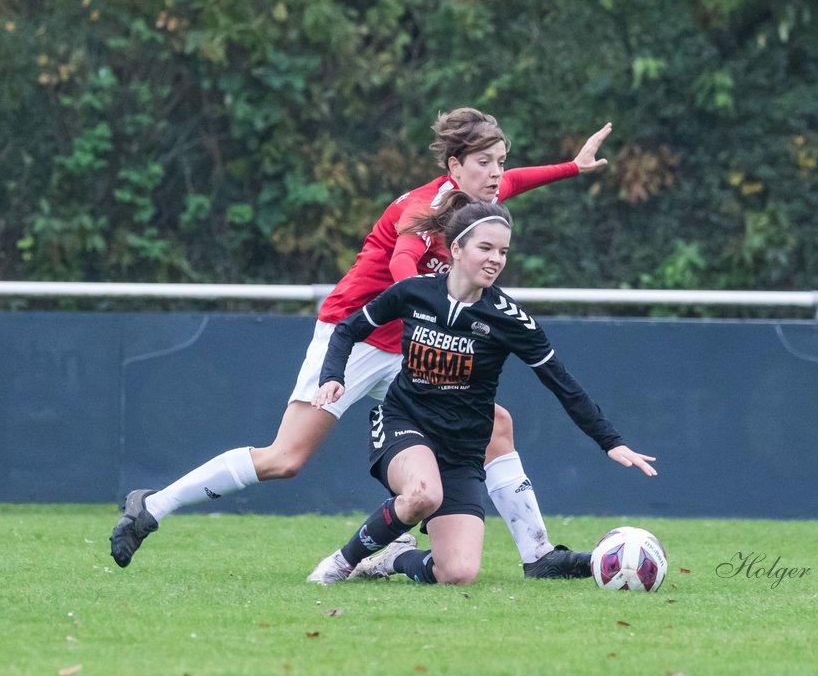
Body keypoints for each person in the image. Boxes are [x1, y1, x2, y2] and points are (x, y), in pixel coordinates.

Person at [110, 108, 615, 578]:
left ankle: (539, 555)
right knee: (285, 458)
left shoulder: (477, 205)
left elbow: (516, 184)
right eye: (485, 163)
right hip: (356, 336)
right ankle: (151, 506)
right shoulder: (426, 207)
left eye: (501, 163)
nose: (497, 175)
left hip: (409, 346)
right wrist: (423, 303)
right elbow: (402, 264)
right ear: (455, 165)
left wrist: (572, 167)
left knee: (495, 424)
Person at [306, 196, 657, 585]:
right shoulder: (414, 293)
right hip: (404, 423)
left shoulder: (510, 320)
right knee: (423, 495)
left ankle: (396, 557)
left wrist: (610, 441)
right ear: (456, 248)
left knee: (457, 573)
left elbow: (563, 384)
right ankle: (341, 564)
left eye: (503, 251)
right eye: (485, 248)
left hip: (462, 449)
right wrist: (331, 376)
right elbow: (348, 330)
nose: (495, 259)